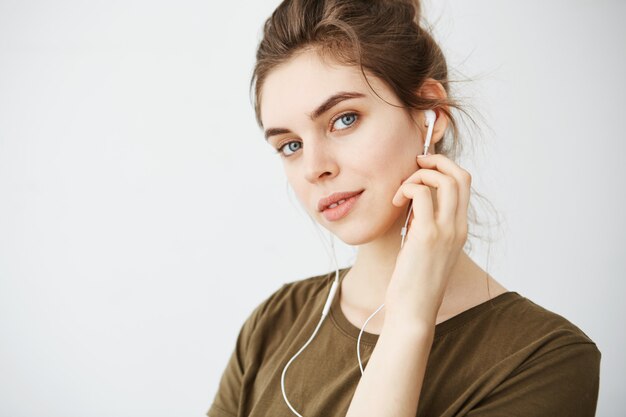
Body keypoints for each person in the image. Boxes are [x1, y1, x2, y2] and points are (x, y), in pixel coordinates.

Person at [207, 0, 601, 416]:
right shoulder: (274, 324)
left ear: (431, 113)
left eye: (344, 119)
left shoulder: (542, 358)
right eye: (290, 145)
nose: (314, 168)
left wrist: (410, 319)